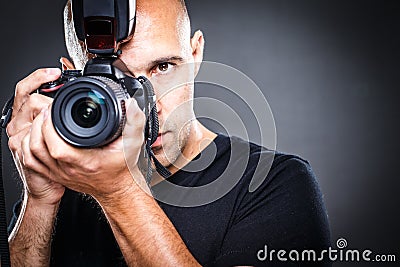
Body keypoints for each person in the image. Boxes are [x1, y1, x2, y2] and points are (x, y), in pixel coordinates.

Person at [6, 0, 331, 266]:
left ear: (195, 53)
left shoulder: (273, 184)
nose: (146, 107)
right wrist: (39, 201)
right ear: (71, 79)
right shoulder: (64, 175)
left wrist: (119, 192)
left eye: (162, 68)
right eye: (116, 81)